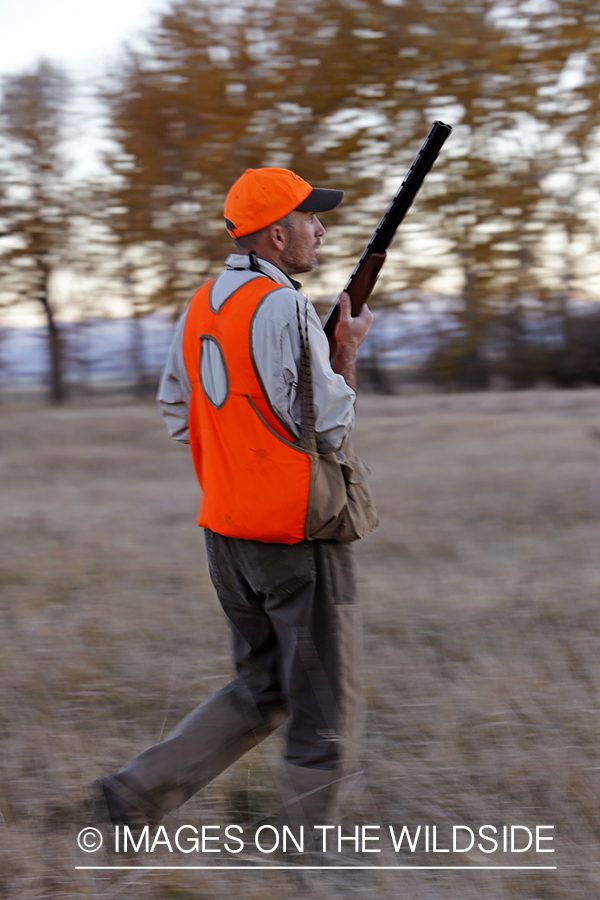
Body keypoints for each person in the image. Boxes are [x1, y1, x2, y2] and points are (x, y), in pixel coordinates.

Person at [97, 166, 373, 852]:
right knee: (323, 704)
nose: (321, 228)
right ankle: (307, 860)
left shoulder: (205, 303)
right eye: (311, 218)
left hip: (226, 532)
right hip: (293, 534)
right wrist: (346, 349)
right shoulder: (281, 307)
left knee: (262, 686)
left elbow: (178, 411)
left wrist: (239, 453)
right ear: (277, 234)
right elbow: (331, 425)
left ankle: (135, 793)